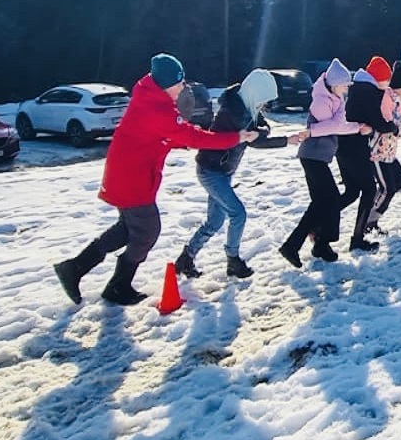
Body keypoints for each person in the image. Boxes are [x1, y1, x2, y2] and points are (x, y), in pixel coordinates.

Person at [54, 54, 259, 306]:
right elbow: (189, 135)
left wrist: (181, 140)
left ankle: (75, 269)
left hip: (127, 175)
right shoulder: (156, 108)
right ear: (166, 83)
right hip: (132, 180)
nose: (183, 87)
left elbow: (164, 135)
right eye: (179, 82)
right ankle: (116, 285)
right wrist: (236, 138)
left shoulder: (151, 98)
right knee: (147, 231)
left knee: (128, 229)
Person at [176, 69, 307, 280]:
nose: (264, 105)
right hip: (211, 171)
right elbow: (255, 140)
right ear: (256, 93)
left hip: (222, 172)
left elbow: (262, 128)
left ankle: (186, 258)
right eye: (264, 99)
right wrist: (283, 140)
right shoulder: (233, 113)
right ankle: (233, 260)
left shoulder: (247, 106)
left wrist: (264, 133)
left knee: (214, 222)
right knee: (238, 214)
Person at [281, 59, 365, 267]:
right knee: (332, 199)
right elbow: (335, 127)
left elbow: (337, 123)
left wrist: (346, 124)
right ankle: (316, 242)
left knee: (320, 203)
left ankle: (305, 245)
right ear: (335, 84)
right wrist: (354, 127)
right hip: (312, 157)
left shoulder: (336, 98)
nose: (346, 89)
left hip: (318, 157)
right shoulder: (320, 101)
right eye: (344, 85)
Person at [332, 56, 399, 252]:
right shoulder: (367, 92)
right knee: (369, 190)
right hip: (354, 147)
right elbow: (379, 122)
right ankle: (357, 239)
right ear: (379, 78)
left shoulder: (360, 87)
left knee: (352, 192)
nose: (387, 83)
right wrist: (393, 127)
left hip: (343, 146)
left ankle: (317, 222)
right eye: (386, 79)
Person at [362, 61, 401, 235]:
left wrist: (397, 128)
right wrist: (397, 128)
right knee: (387, 189)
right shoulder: (387, 98)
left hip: (389, 152)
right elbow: (387, 123)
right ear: (398, 88)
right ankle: (368, 220)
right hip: (377, 153)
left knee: (400, 181)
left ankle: (371, 216)